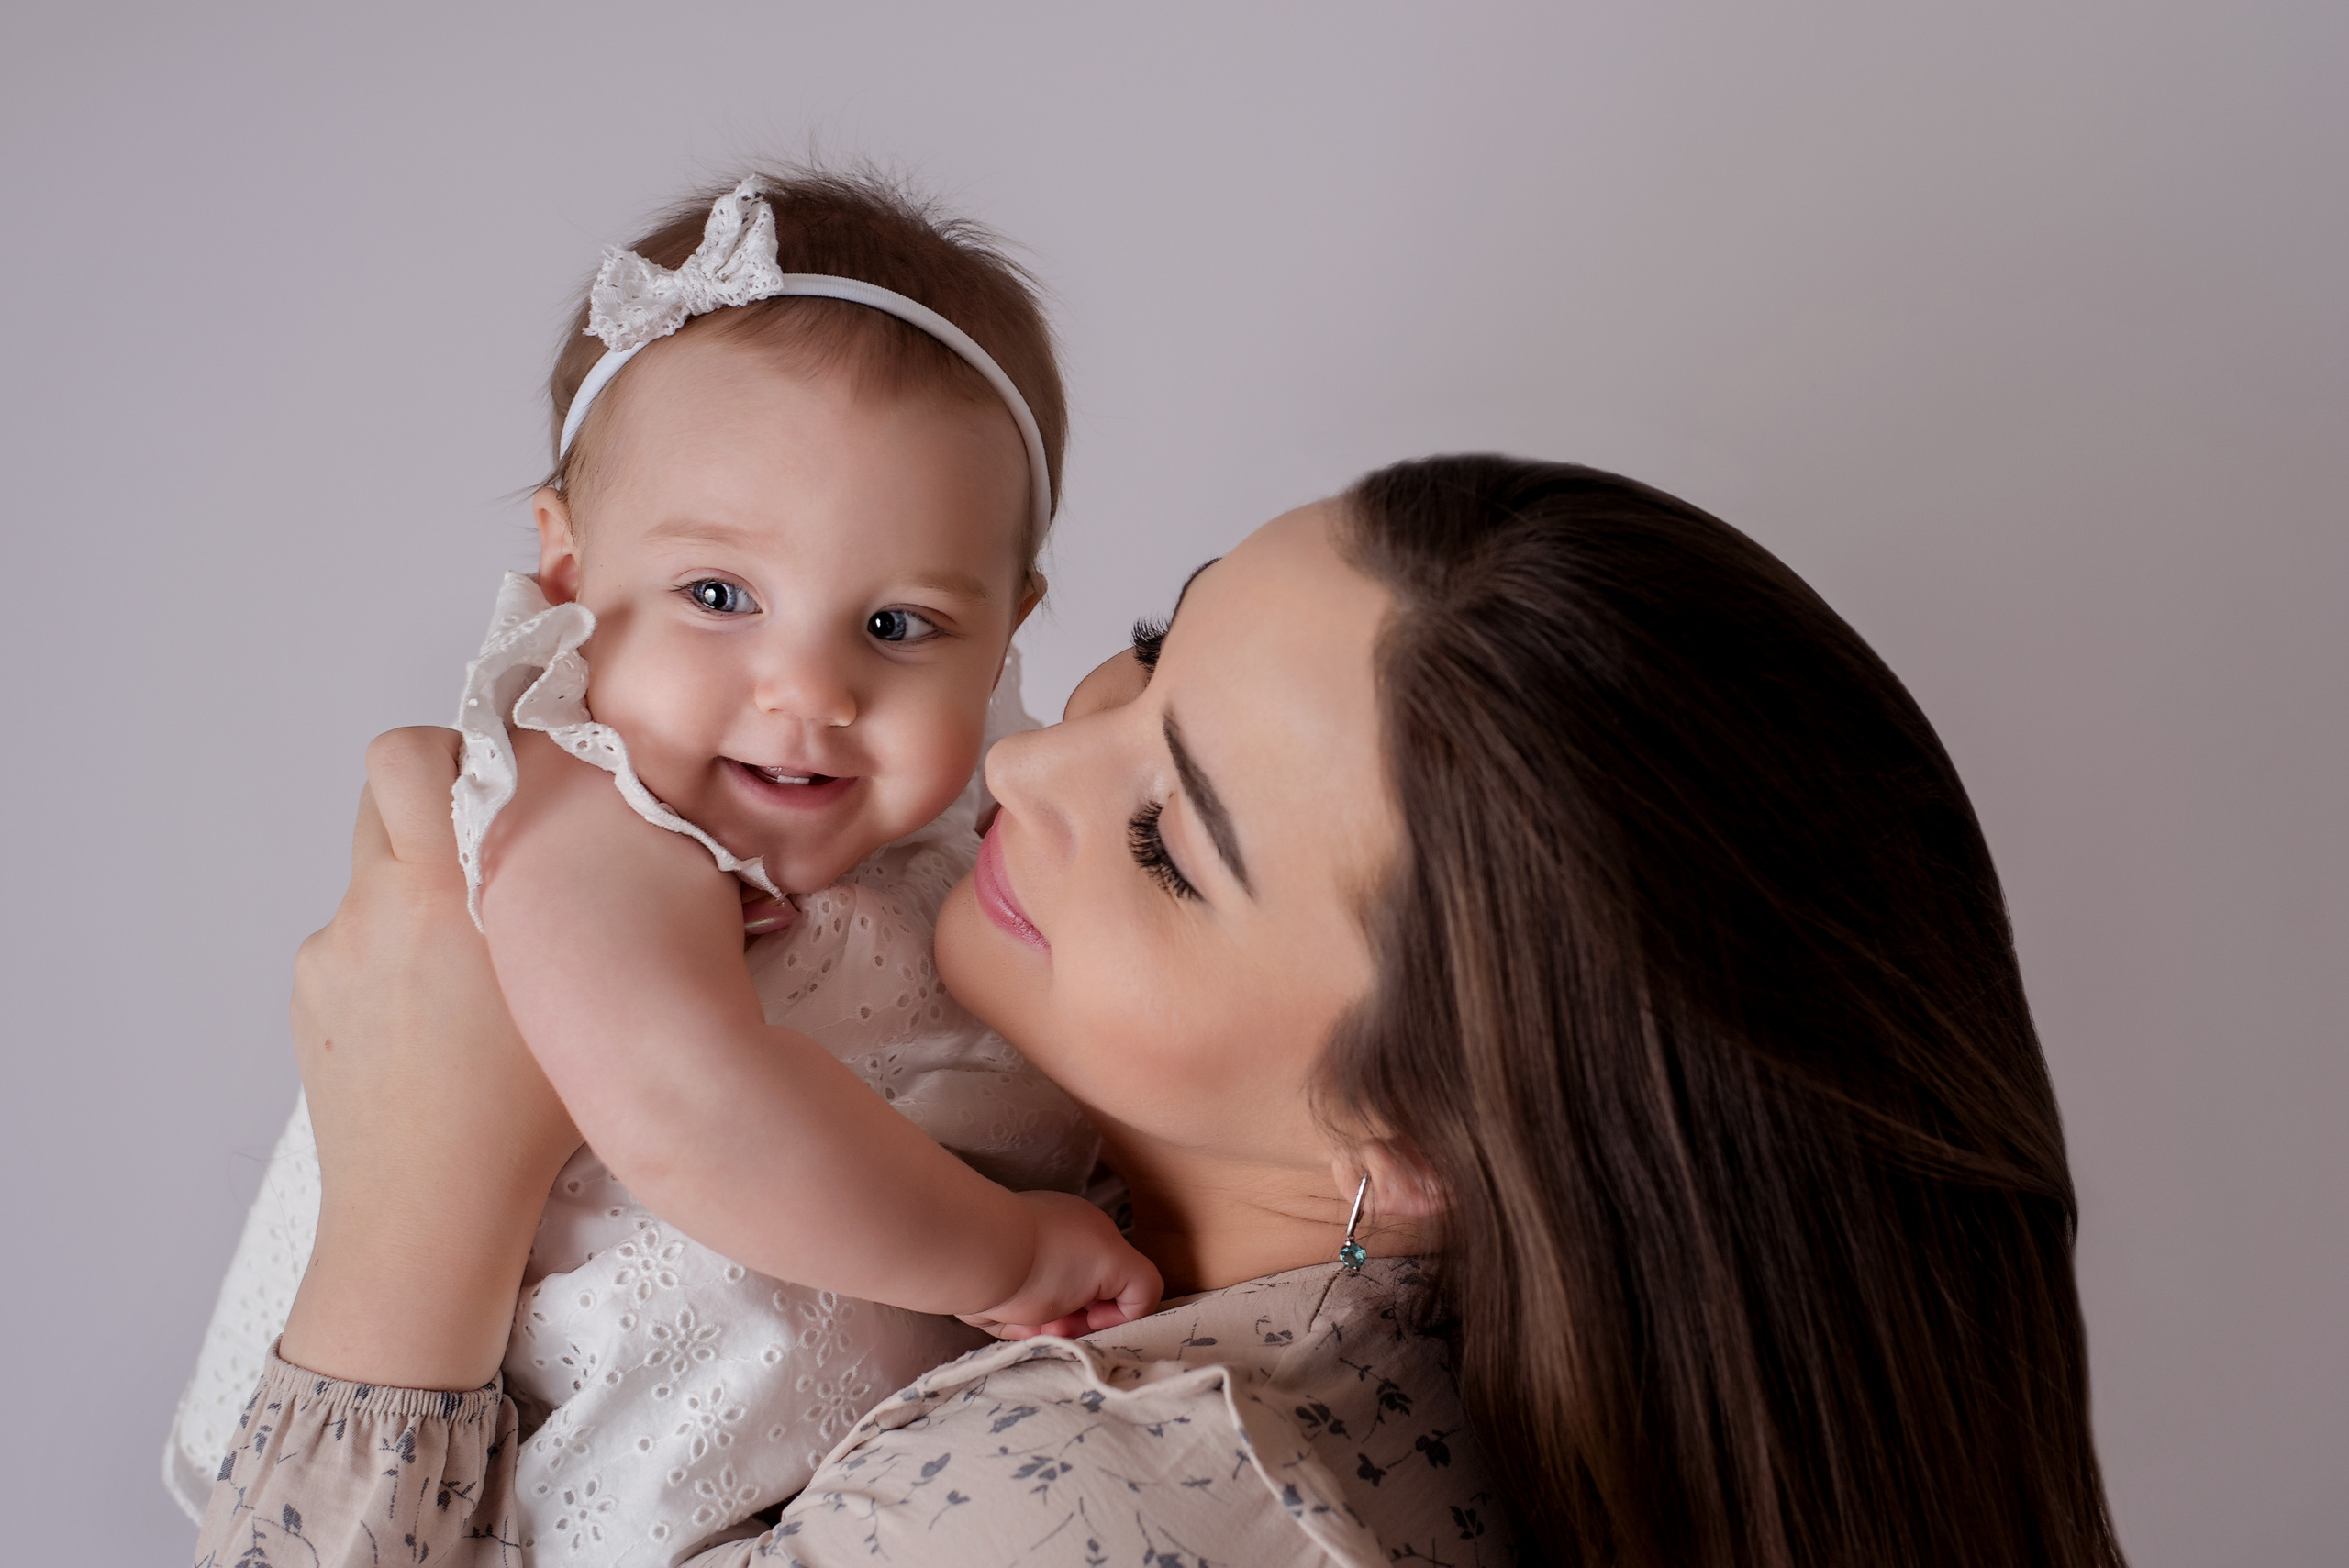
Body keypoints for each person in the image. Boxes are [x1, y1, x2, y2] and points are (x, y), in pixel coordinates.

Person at [193, 457, 2130, 1567]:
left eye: (1169, 846)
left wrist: (413, 1201)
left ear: (1417, 1143)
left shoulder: (1089, 1515)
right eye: (1144, 649)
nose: (1031, 768)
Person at [168, 170, 1161, 1563]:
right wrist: (1009, 1255)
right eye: (718, 596)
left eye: (897, 621)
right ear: (568, 577)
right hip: (549, 1463)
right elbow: (684, 1103)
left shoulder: (985, 816)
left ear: (1008, 632)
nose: (806, 688)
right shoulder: (590, 790)